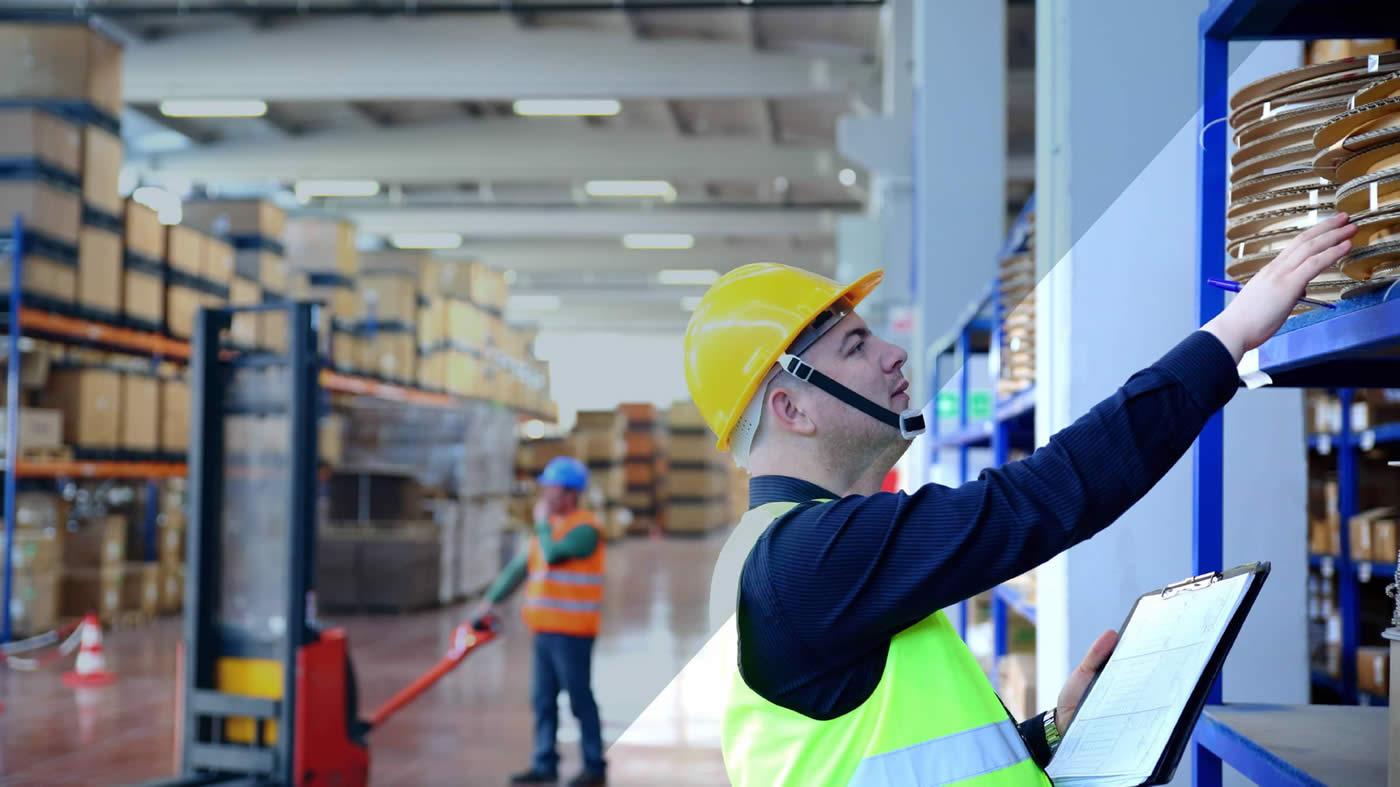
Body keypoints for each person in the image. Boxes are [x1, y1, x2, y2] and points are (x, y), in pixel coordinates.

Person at [682, 214, 1358, 785]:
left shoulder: (780, 555)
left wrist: (1056, 726)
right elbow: (1043, 495)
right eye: (856, 345)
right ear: (790, 406)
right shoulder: (804, 559)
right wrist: (1230, 336)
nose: (894, 356)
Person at [474, 456, 608, 787]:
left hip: (573, 634)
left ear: (570, 494)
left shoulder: (585, 529)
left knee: (579, 700)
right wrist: (489, 601)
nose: (545, 494)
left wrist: (543, 524)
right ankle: (544, 763)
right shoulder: (544, 531)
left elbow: (552, 554)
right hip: (545, 632)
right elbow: (519, 568)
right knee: (543, 701)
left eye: (552, 488)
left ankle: (594, 767)